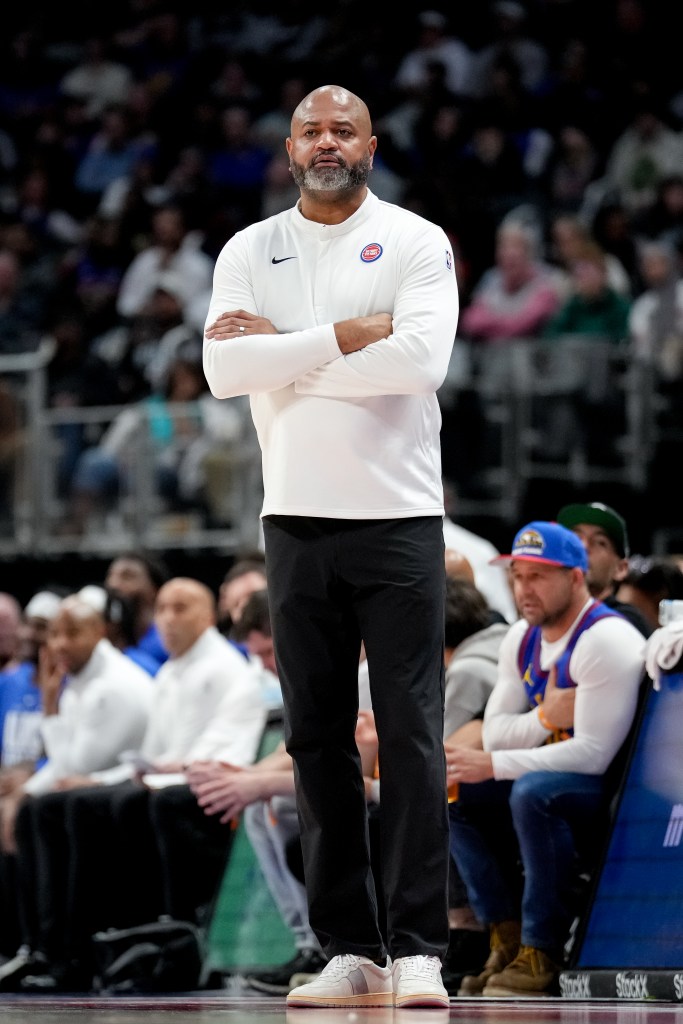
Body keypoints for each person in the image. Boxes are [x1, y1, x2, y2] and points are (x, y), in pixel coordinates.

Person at [202, 83, 459, 1009]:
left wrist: (289, 351)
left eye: (341, 129)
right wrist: (347, 337)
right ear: (287, 148)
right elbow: (223, 369)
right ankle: (349, 946)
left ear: (370, 146)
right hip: (294, 519)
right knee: (315, 741)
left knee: (411, 735)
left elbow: (419, 365)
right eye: (310, 129)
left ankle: (421, 946)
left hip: (397, 519)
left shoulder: (418, 241)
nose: (326, 141)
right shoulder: (249, 248)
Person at [6, 576, 267, 993]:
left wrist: (160, 771)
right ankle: (51, 947)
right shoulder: (169, 672)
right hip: (163, 777)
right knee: (46, 807)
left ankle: (129, 945)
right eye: (161, 608)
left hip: (201, 781)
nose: (166, 619)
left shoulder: (220, 668)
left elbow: (222, 747)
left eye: (179, 608)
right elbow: (145, 754)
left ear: (206, 615)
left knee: (100, 805)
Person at [445, 521, 645, 996]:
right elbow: (494, 733)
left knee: (535, 794)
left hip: (613, 792)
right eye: (517, 575)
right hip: (547, 771)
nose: (523, 589)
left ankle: (543, 949)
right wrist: (542, 717)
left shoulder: (605, 640)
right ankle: (505, 938)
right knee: (454, 791)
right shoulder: (521, 637)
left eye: (538, 576)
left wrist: (496, 762)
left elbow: (594, 755)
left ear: (576, 578)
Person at [556, 501, 653, 637]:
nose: (583, 546)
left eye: (600, 542)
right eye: (576, 538)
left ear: (620, 569)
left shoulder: (625, 622)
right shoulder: (549, 614)